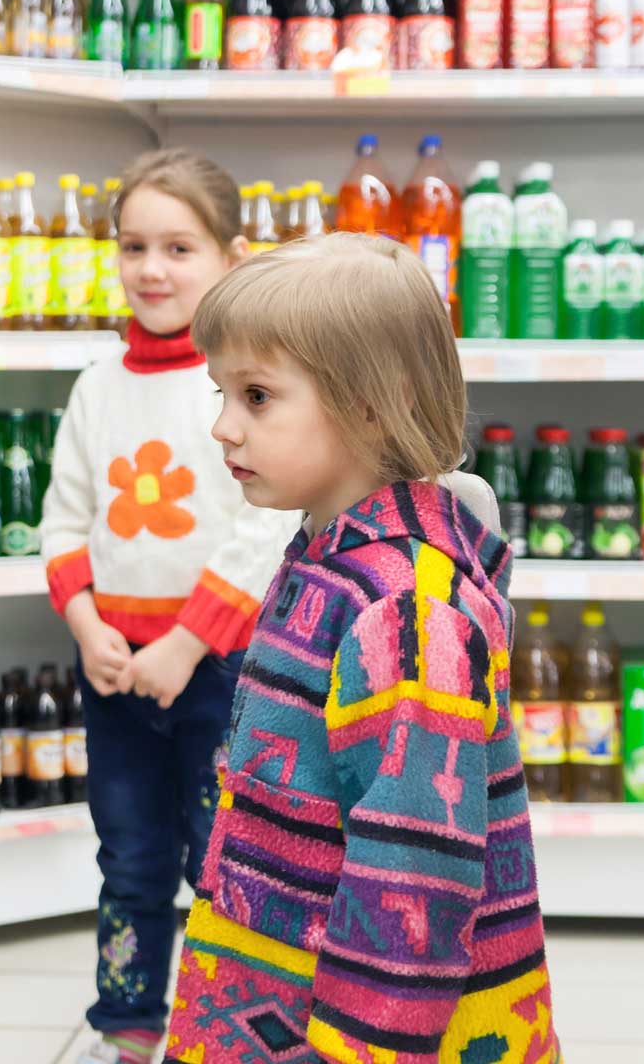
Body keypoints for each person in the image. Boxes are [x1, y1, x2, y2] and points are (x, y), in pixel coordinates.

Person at [165, 234, 560, 1063]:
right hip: (276, 1005)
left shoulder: (404, 613)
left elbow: (414, 880)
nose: (222, 427)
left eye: (258, 396)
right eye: (221, 392)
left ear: (374, 404)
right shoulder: (330, 552)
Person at [40, 148, 301, 1064]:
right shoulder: (95, 388)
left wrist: (187, 646)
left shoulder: (234, 387)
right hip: (113, 670)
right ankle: (128, 1034)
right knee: (130, 862)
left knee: (223, 862)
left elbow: (261, 528)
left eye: (179, 247)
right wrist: (88, 630)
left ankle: (227, 1035)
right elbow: (63, 522)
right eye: (133, 245)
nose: (151, 268)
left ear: (230, 258)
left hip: (219, 673)